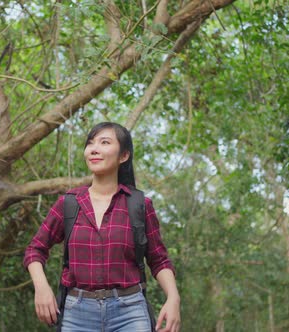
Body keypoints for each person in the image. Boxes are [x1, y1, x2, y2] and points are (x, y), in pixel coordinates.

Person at [23, 122, 181, 332]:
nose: (94, 149)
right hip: (76, 314)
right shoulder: (69, 203)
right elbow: (35, 249)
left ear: (123, 156)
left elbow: (158, 259)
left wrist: (173, 298)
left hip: (130, 313)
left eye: (104, 142)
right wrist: (41, 287)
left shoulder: (139, 204)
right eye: (90, 144)